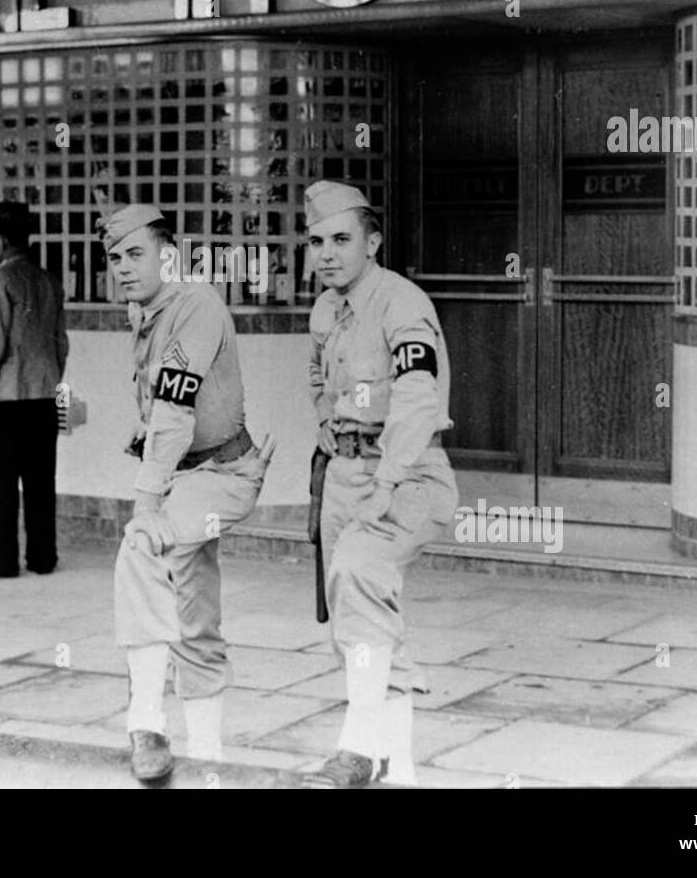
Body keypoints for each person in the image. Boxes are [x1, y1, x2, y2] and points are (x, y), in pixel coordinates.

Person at [103, 203, 275, 782]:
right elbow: (168, 403)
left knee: (143, 547)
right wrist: (145, 433)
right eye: (114, 257)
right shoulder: (148, 308)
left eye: (136, 254)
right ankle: (208, 764)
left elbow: (176, 406)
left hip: (222, 478)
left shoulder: (196, 305)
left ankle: (145, 719)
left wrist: (146, 502)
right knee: (194, 615)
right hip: (190, 478)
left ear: (168, 256)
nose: (123, 268)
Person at [300, 181, 459, 789]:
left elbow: (418, 401)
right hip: (343, 472)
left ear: (373, 241)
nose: (327, 254)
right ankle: (399, 769)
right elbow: (318, 378)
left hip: (409, 474)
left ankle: (357, 748)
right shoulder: (325, 310)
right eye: (316, 242)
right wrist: (326, 429)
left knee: (362, 573)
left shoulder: (402, 303)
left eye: (341, 240)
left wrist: (385, 481)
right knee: (360, 617)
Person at [0, 201, 69, 578]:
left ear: (4, 240)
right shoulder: (48, 281)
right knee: (41, 483)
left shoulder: (0, 281)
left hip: (8, 402)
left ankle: (2, 560)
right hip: (44, 400)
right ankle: (43, 558)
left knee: (2, 485)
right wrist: (50, 380)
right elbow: (60, 344)